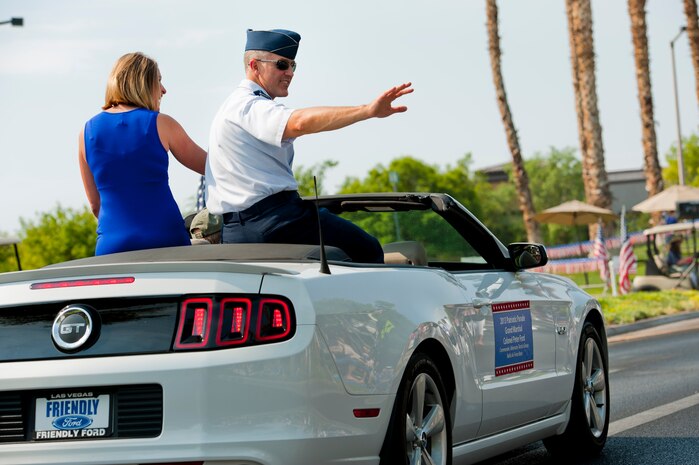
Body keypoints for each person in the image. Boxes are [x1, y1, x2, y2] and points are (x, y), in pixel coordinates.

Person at [205, 29, 413, 263]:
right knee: (367, 250)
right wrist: (367, 111)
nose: (290, 73)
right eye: (282, 65)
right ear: (255, 65)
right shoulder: (249, 105)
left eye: (294, 66)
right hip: (275, 220)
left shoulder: (232, 107)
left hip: (237, 231)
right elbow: (300, 122)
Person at [79, 52, 207, 255]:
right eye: (158, 81)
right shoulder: (161, 123)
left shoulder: (87, 132)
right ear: (142, 83)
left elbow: (96, 206)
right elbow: (210, 167)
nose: (164, 90)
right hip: (166, 239)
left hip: (112, 246)